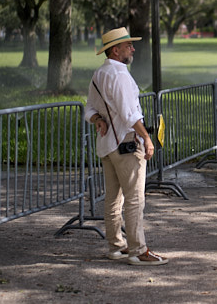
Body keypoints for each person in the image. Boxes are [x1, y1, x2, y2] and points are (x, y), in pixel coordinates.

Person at [85, 27, 168, 266]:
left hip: (107, 145)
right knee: (134, 199)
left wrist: (98, 120)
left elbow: (89, 108)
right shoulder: (119, 74)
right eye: (128, 45)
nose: (132, 48)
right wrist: (147, 138)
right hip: (127, 143)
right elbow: (130, 113)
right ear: (115, 50)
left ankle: (116, 246)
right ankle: (138, 250)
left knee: (113, 198)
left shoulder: (99, 73)